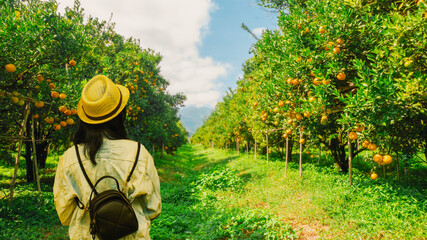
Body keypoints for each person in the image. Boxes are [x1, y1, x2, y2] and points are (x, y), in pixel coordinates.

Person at [53, 75, 161, 239]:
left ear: (85, 118)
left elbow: (65, 214)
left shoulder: (69, 158)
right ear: (120, 114)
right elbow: (153, 208)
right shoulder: (139, 153)